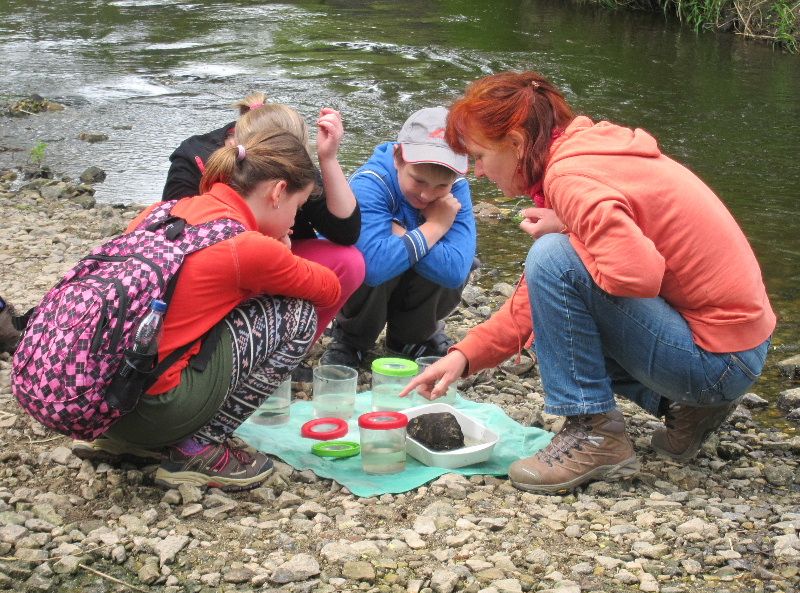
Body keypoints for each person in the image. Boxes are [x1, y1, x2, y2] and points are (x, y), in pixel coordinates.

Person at [403, 71, 775, 494]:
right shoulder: (584, 149)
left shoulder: (569, 177)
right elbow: (545, 298)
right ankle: (682, 409)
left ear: (517, 144)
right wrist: (464, 357)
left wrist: (567, 233)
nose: (480, 173)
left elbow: (635, 274)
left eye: (481, 156)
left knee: (552, 260)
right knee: (552, 309)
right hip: (735, 346)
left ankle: (594, 434)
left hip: (716, 362)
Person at [73, 128, 342, 492]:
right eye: (297, 207)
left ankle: (129, 441)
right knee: (298, 315)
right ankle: (196, 448)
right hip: (155, 412)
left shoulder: (162, 211)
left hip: (100, 404)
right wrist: (281, 249)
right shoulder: (244, 245)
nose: (295, 220)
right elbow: (330, 289)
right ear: (278, 192)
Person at [162, 93, 364, 368]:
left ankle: (279, 357)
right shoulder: (194, 158)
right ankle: (219, 360)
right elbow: (174, 246)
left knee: (348, 261)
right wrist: (272, 252)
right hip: (220, 269)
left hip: (263, 255)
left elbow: (346, 232)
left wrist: (328, 159)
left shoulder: (291, 158)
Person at [320, 106, 477, 368]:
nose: (427, 195)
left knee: (461, 259)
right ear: (398, 158)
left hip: (406, 272)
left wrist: (402, 235)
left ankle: (409, 338)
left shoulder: (458, 188)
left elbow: (456, 270)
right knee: (361, 258)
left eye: (441, 186)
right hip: (366, 286)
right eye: (418, 181)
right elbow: (374, 268)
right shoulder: (371, 182)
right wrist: (435, 227)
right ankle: (352, 338)